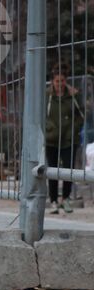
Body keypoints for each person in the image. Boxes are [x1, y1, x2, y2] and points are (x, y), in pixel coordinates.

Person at [46, 70, 85, 214]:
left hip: (69, 139)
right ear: (52, 81)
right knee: (52, 170)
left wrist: (75, 129)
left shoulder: (72, 95)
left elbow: (82, 114)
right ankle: (54, 201)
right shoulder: (47, 96)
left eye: (62, 81)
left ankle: (66, 199)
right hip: (51, 139)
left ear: (66, 81)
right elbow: (41, 114)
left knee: (69, 170)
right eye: (57, 81)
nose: (60, 84)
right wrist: (48, 128)